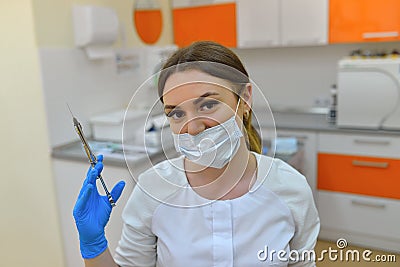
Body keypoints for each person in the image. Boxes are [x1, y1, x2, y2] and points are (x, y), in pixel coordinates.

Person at [73, 41, 320, 267]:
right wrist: (94, 246)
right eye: (176, 113)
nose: (193, 128)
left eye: (208, 105)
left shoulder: (291, 189)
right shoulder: (154, 190)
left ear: (244, 99)